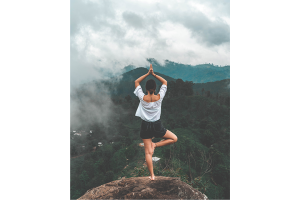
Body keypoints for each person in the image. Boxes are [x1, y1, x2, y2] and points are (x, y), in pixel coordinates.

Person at [133, 64, 178, 181]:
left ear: (146, 89)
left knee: (148, 153)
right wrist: (154, 74)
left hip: (145, 126)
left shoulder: (142, 97)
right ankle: (156, 145)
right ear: (155, 88)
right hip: (157, 126)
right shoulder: (160, 97)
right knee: (174, 138)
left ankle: (152, 176)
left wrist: (147, 74)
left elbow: (136, 82)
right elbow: (165, 82)